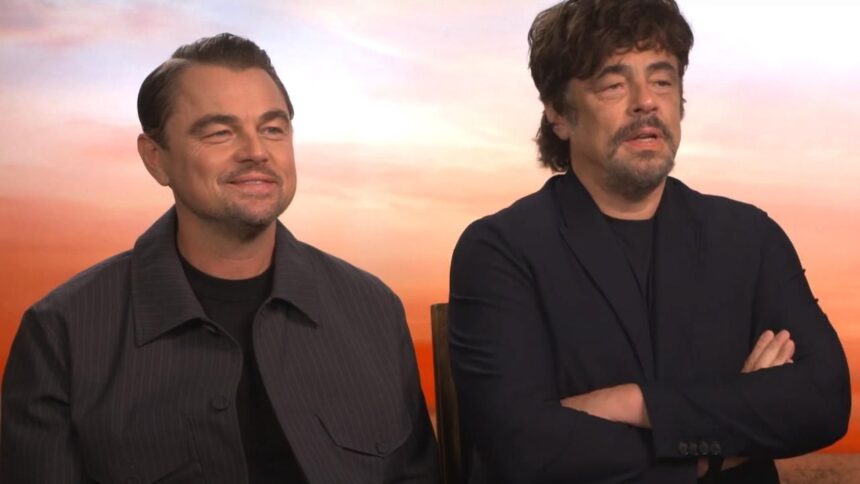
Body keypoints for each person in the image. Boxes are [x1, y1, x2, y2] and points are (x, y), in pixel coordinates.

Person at [1, 33, 437, 483]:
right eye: (219, 133)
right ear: (155, 158)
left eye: (272, 129)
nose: (256, 151)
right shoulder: (61, 334)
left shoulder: (373, 308)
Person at [447, 1, 850, 482]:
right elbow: (524, 448)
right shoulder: (499, 251)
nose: (646, 102)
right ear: (558, 113)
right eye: (613, 85)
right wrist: (722, 438)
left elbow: (824, 401)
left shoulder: (750, 236)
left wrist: (633, 403)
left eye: (662, 80)